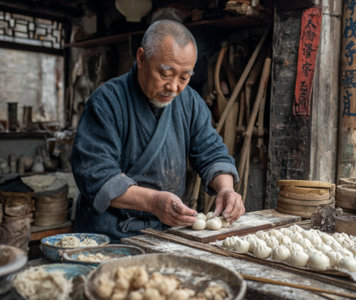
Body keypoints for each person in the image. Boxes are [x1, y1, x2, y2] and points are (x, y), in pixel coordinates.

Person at [71, 19, 245, 243]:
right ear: (141, 58)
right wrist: (154, 202)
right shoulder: (107, 102)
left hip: (166, 234)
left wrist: (226, 190)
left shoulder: (190, 102)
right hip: (108, 236)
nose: (174, 87)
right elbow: (97, 174)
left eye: (184, 77)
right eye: (165, 74)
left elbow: (211, 152)